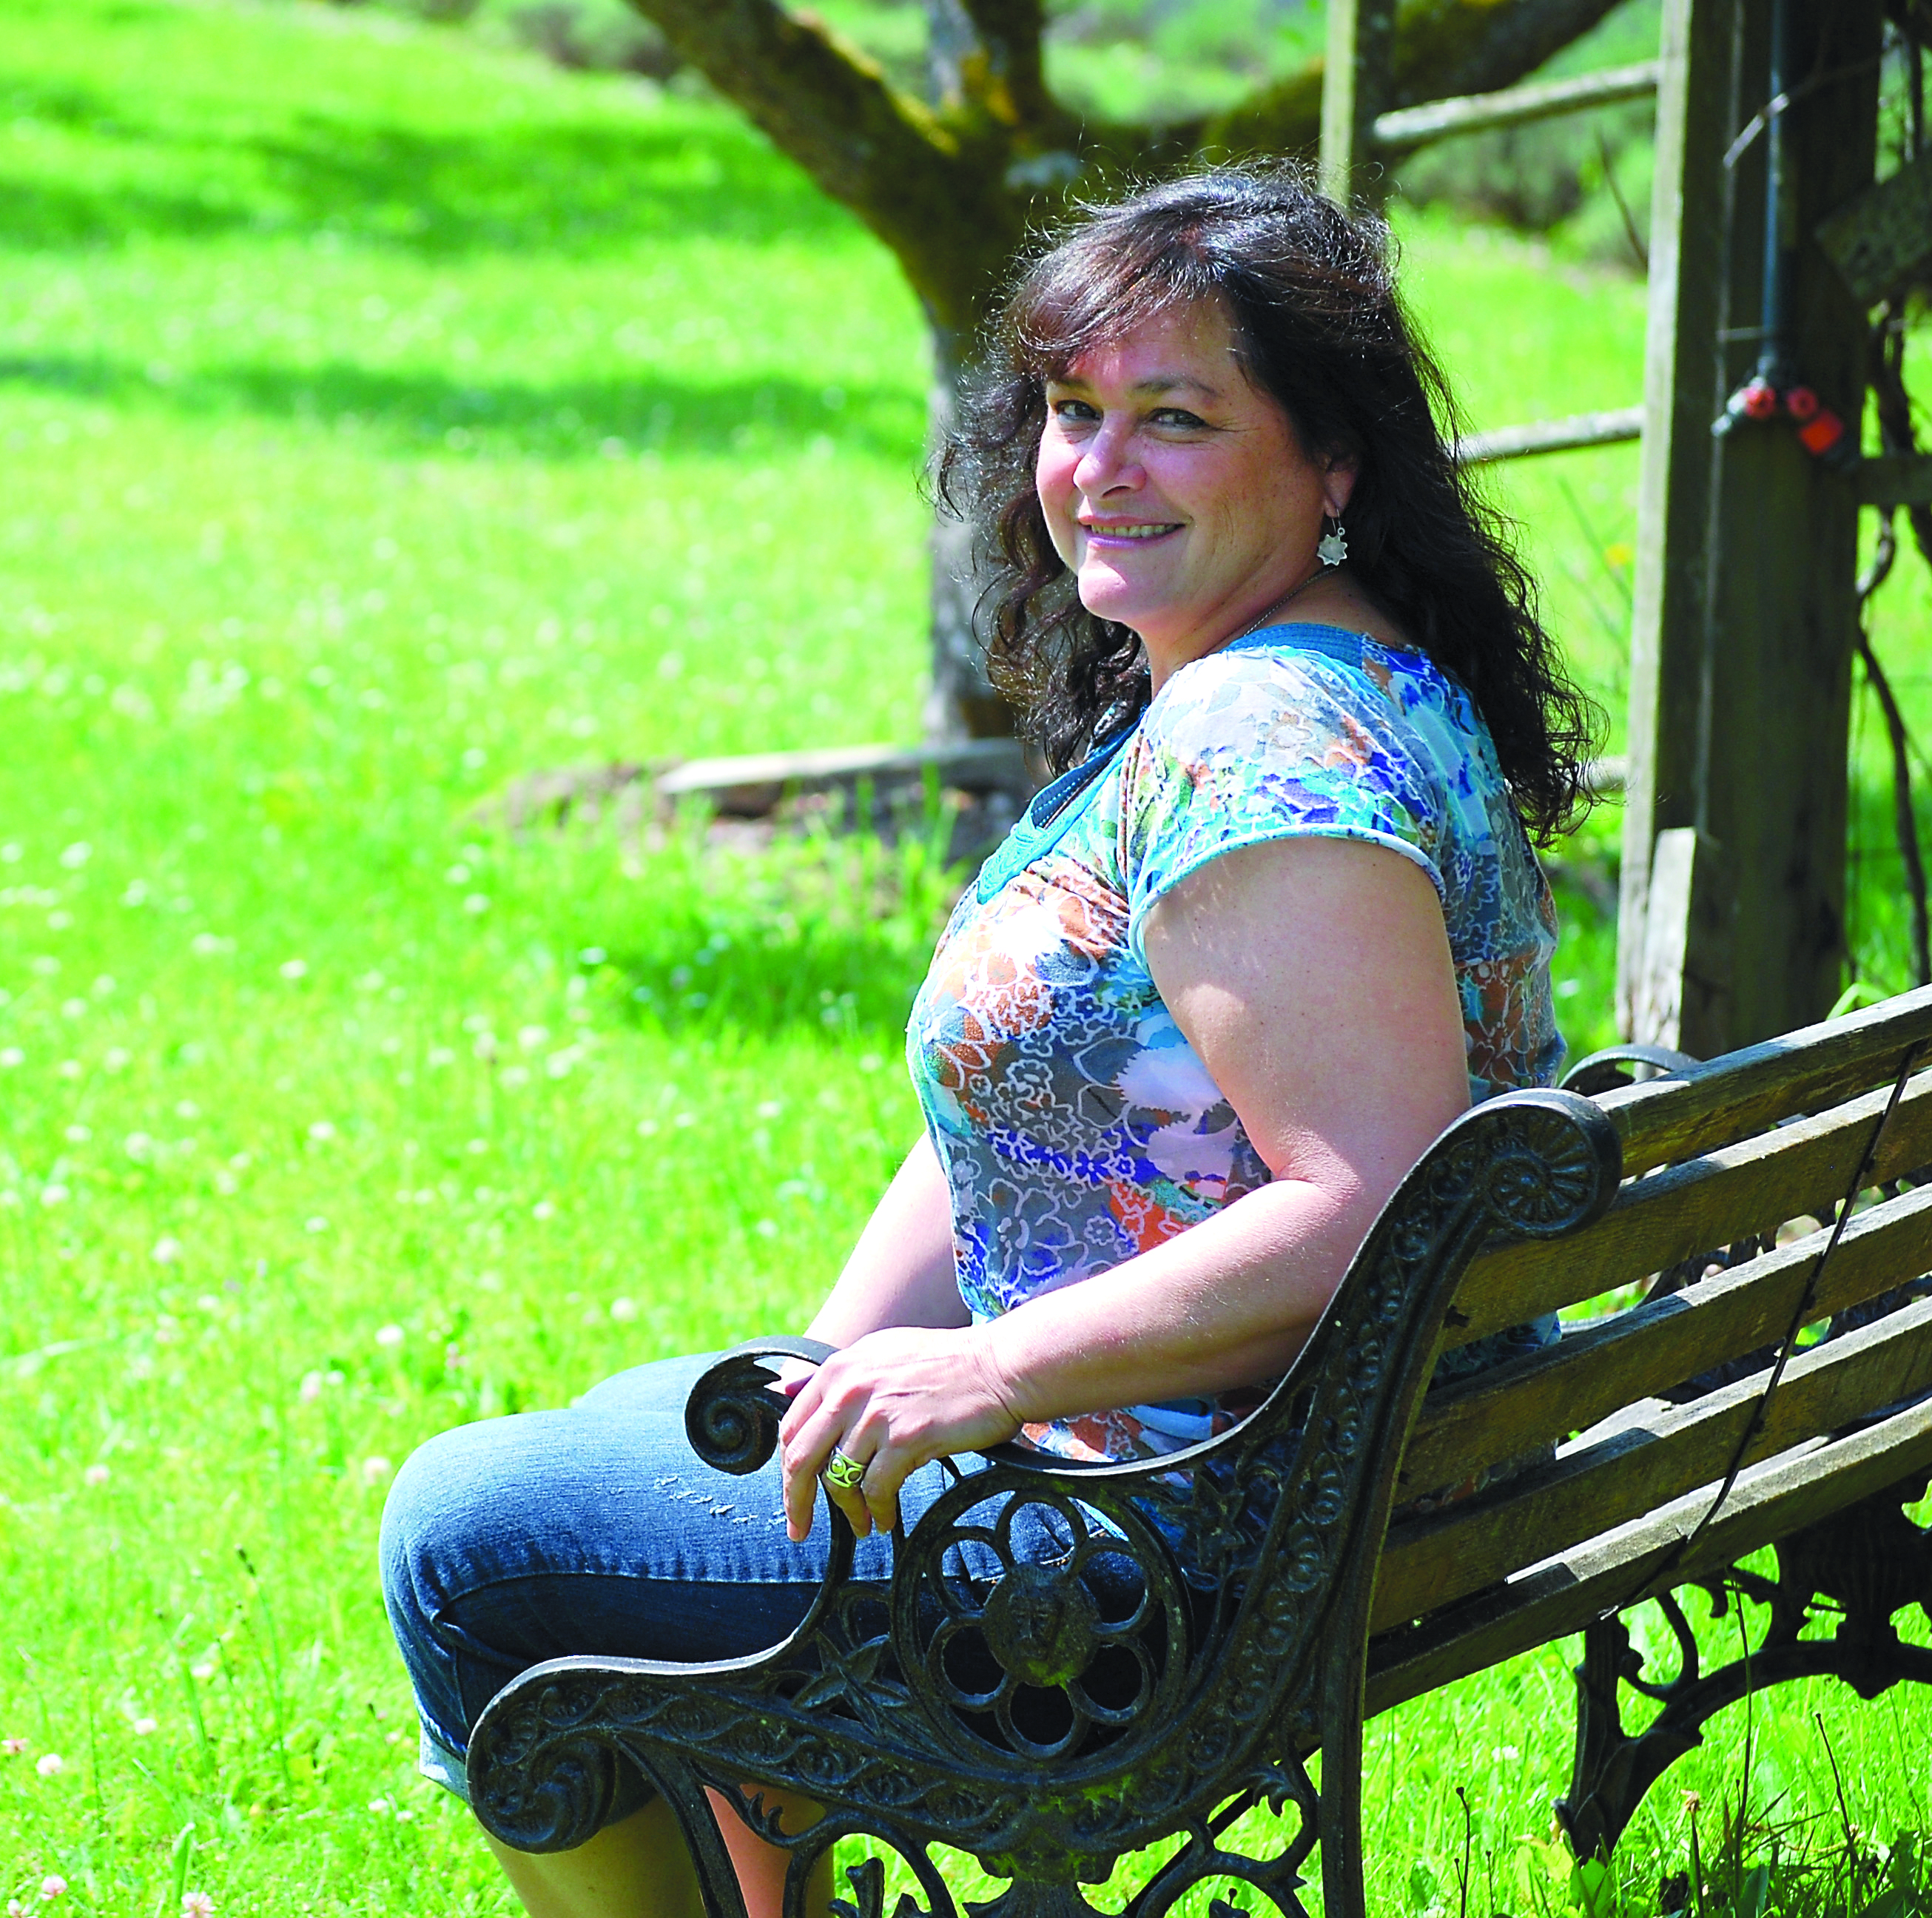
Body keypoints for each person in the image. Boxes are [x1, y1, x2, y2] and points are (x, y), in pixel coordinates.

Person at [380, 164, 1598, 1918]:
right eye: (1074, 409)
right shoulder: (1327, 673)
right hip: (1293, 1484)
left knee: (467, 1537)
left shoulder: (1255, 744)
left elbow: (1372, 1199)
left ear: (1330, 463)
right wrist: (837, 1370)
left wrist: (987, 1378)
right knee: (650, 1435)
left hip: (1171, 1534)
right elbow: (1047, 1111)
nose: (1098, 470)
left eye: (1174, 419)